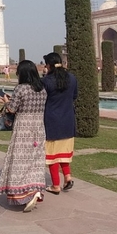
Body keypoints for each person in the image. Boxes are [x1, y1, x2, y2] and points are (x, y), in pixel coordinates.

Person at [0, 60, 48, 212]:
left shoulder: (21, 89)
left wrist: (6, 101)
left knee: (20, 160)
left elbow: (12, 109)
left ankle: (24, 193)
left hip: (23, 128)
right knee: (36, 161)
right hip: (38, 127)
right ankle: (36, 189)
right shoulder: (42, 88)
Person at [42, 52, 78, 194]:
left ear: (49, 65)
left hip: (51, 120)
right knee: (63, 152)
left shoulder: (46, 81)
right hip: (68, 119)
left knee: (52, 155)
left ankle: (55, 185)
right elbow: (74, 96)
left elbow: (41, 100)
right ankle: (67, 177)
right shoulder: (72, 78)